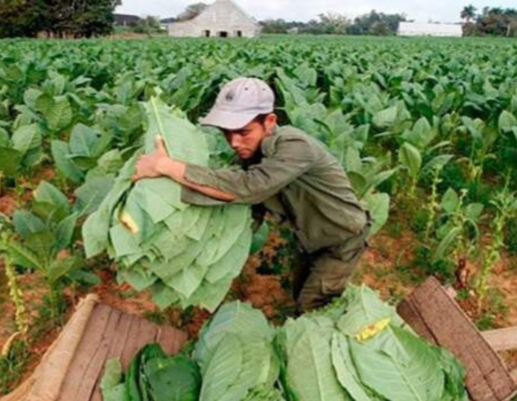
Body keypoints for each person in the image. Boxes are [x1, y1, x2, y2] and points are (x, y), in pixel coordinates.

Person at [132, 77, 370, 312]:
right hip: (310, 236)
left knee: (313, 303)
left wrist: (166, 166)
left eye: (243, 132)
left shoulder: (296, 146)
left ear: (269, 121)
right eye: (227, 133)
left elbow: (246, 188)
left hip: (342, 237)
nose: (234, 142)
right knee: (302, 289)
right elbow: (239, 199)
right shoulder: (253, 154)